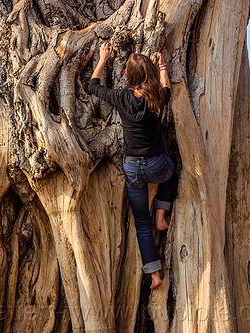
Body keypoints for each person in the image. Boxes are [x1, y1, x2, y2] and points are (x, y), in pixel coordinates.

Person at [87, 42, 178, 290]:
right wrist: (162, 66)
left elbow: (93, 86)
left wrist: (104, 58)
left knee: (141, 224)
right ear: (148, 74)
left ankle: (154, 275)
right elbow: (167, 86)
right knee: (172, 172)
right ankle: (161, 214)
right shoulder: (157, 96)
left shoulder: (122, 97)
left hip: (132, 169)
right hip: (157, 163)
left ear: (128, 75)